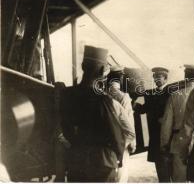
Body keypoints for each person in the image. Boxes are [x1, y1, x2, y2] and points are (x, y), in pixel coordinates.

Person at [60, 45, 135, 182]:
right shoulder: (104, 100)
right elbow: (116, 136)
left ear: (82, 66)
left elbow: (65, 128)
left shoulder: (67, 94)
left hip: (76, 159)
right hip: (101, 163)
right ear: (102, 71)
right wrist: (118, 157)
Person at [160, 64, 194, 182]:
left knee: (179, 178)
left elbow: (166, 124)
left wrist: (164, 145)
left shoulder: (175, 96)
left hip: (178, 141)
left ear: (185, 77)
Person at [134, 67, 171, 182]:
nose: (156, 79)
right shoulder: (150, 94)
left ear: (165, 78)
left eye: (159, 77)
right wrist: (135, 104)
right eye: (155, 77)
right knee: (159, 165)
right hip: (154, 133)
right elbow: (144, 109)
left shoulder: (171, 93)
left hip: (167, 132)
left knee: (169, 164)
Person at [107, 65, 136, 182]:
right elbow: (129, 122)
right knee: (121, 177)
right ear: (121, 79)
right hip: (121, 141)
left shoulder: (101, 95)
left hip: (105, 141)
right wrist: (132, 144)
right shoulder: (124, 97)